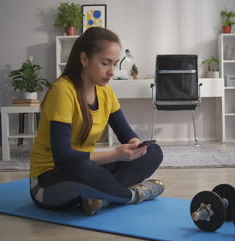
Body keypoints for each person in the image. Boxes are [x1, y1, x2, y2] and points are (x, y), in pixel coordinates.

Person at [29, 27, 164, 216]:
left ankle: (98, 197)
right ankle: (131, 195)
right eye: (105, 63)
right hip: (49, 183)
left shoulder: (105, 91)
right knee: (84, 169)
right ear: (84, 59)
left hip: (86, 171)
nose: (112, 72)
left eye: (115, 64)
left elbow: (126, 133)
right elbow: (63, 157)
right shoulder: (63, 91)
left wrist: (135, 144)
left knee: (153, 152)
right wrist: (114, 154)